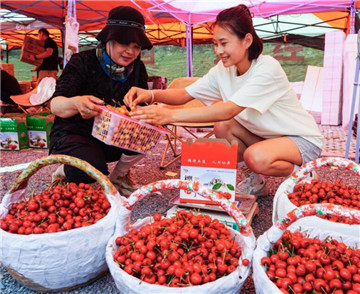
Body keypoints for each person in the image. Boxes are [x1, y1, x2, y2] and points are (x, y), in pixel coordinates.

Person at [124, 4, 324, 196]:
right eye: (215, 44)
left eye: (224, 43)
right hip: (267, 137)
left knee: (255, 157)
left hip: (301, 140)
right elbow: (185, 94)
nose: (218, 51)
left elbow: (229, 109)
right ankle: (255, 182)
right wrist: (150, 94)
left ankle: (303, 173)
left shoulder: (267, 68)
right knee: (222, 126)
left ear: (246, 40)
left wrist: (168, 115)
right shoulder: (223, 69)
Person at [49, 6, 153, 196]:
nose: (130, 52)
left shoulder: (137, 68)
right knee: (89, 171)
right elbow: (56, 105)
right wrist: (77, 103)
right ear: (108, 39)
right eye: (124, 43)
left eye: (136, 47)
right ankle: (64, 171)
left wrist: (147, 112)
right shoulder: (82, 61)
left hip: (114, 134)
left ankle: (119, 175)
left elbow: (142, 103)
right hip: (76, 133)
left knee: (147, 131)